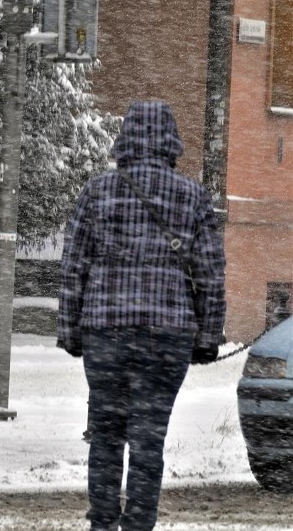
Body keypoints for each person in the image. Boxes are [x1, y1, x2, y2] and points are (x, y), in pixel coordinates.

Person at [57, 101, 226, 531]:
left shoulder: (97, 192)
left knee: (107, 435)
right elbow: (209, 274)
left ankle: (102, 524)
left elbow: (73, 265)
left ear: (125, 138)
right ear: (171, 140)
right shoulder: (192, 197)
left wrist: (71, 331)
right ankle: (138, 525)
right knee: (149, 440)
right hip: (166, 335)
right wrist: (207, 337)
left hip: (105, 333)